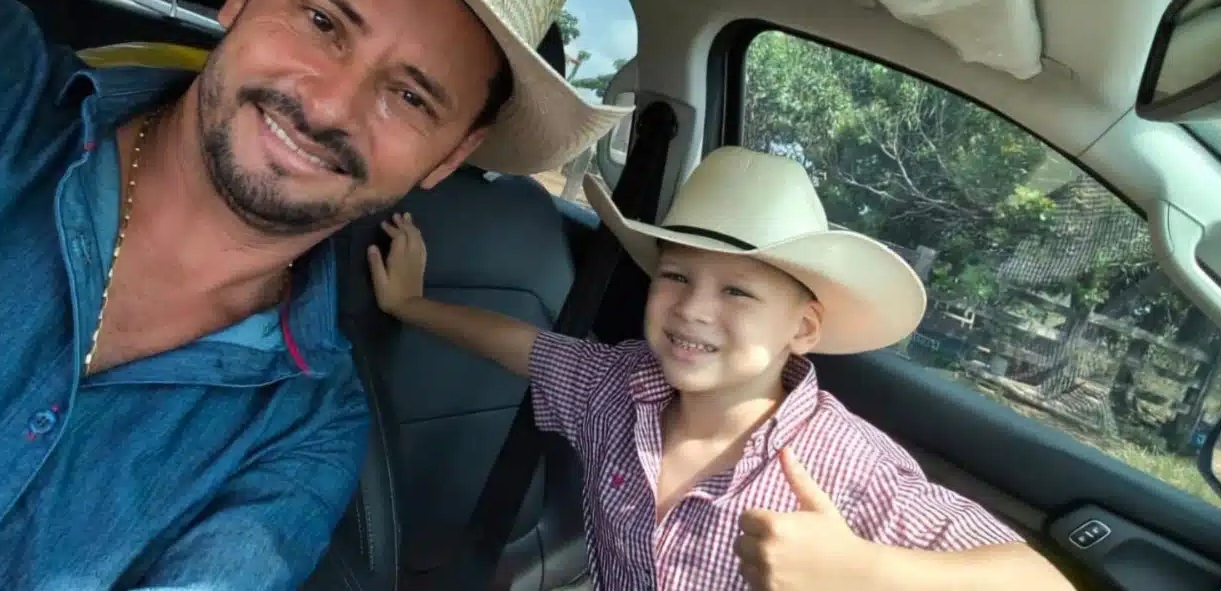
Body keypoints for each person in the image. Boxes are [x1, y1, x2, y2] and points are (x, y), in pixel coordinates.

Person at [0, 0, 628, 590]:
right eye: (321, 21)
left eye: (410, 96)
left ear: (450, 156)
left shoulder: (307, 435)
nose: (330, 104)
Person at [370, 146, 1078, 591]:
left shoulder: (842, 466)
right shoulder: (616, 387)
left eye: (737, 291)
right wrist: (411, 306)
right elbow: (523, 346)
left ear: (802, 328)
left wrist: (869, 573)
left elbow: (1041, 581)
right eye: (675, 276)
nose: (692, 310)